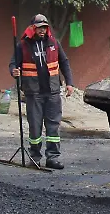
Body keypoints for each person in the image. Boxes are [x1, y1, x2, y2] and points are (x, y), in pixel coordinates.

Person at [10, 14, 75, 169]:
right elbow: (13, 63)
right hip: (33, 93)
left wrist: (69, 83)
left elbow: (64, 63)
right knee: (35, 126)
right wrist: (14, 71)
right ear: (33, 28)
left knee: (53, 126)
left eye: (45, 27)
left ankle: (52, 158)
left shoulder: (54, 43)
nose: (42, 30)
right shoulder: (22, 45)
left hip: (52, 92)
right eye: (39, 27)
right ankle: (35, 157)